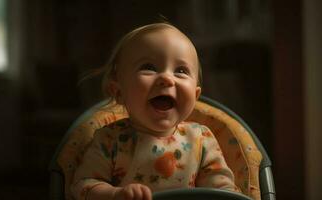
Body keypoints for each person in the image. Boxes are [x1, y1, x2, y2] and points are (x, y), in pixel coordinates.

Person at [71, 23, 238, 200]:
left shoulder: (201, 140)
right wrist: (115, 194)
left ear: (195, 96)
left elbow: (223, 192)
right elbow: (83, 186)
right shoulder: (109, 139)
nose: (166, 78)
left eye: (181, 71)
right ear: (118, 92)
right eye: (149, 67)